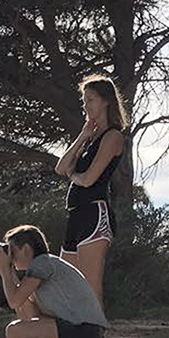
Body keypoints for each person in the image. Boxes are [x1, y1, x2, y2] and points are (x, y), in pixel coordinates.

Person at [0, 224, 109, 338]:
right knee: (21, 326)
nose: (10, 256)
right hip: (85, 332)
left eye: (12, 251)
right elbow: (26, 309)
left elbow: (13, 301)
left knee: (14, 331)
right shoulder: (42, 266)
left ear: (25, 249)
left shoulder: (42, 263)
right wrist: (9, 272)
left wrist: (4, 271)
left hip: (84, 331)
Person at [54, 74, 128, 306]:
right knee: (65, 281)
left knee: (90, 285)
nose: (86, 105)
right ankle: (78, 335)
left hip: (95, 215)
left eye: (92, 99)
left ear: (106, 101)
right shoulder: (90, 138)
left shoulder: (113, 136)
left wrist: (73, 176)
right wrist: (82, 136)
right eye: (84, 100)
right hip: (75, 214)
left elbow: (87, 180)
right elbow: (60, 167)